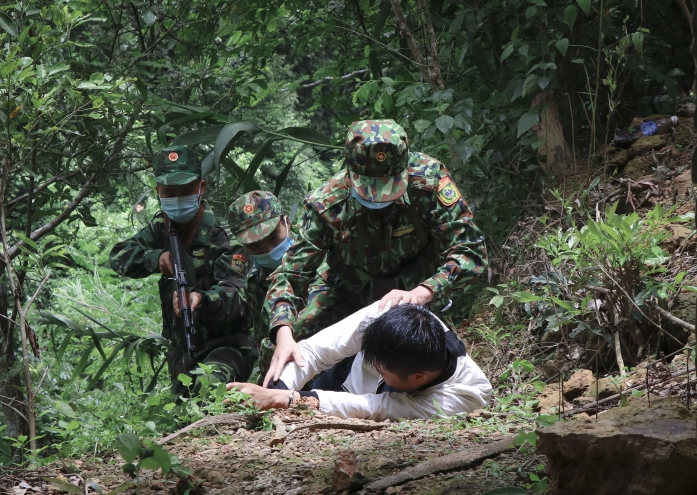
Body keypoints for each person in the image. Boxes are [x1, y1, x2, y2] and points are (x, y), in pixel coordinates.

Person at [263, 119, 487, 386]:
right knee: (288, 344)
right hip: (344, 290)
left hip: (412, 295)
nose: (379, 197)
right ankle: (266, 399)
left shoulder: (429, 182)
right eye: (369, 187)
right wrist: (284, 333)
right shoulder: (327, 203)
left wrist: (422, 293)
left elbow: (470, 250)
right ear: (350, 172)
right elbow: (289, 273)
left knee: (427, 362)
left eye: (389, 186)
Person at [110, 146, 254, 395]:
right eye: (169, 193)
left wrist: (202, 299)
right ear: (158, 192)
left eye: (186, 192)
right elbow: (119, 256)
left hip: (226, 346)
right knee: (183, 421)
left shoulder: (224, 237)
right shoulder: (160, 229)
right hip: (182, 350)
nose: (177, 200)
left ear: (202, 187)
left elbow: (236, 296)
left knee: (210, 391)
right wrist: (157, 260)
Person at [227, 302, 492, 421]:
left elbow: (376, 407)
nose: (375, 369)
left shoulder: (464, 396)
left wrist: (289, 400)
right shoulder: (390, 313)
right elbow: (315, 351)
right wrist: (278, 388)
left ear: (418, 378)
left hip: (364, 399)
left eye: (381, 370)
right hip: (345, 380)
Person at [226, 191, 329, 381]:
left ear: (287, 222)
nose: (269, 250)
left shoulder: (319, 256)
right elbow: (262, 337)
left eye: (274, 238)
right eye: (256, 246)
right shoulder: (255, 281)